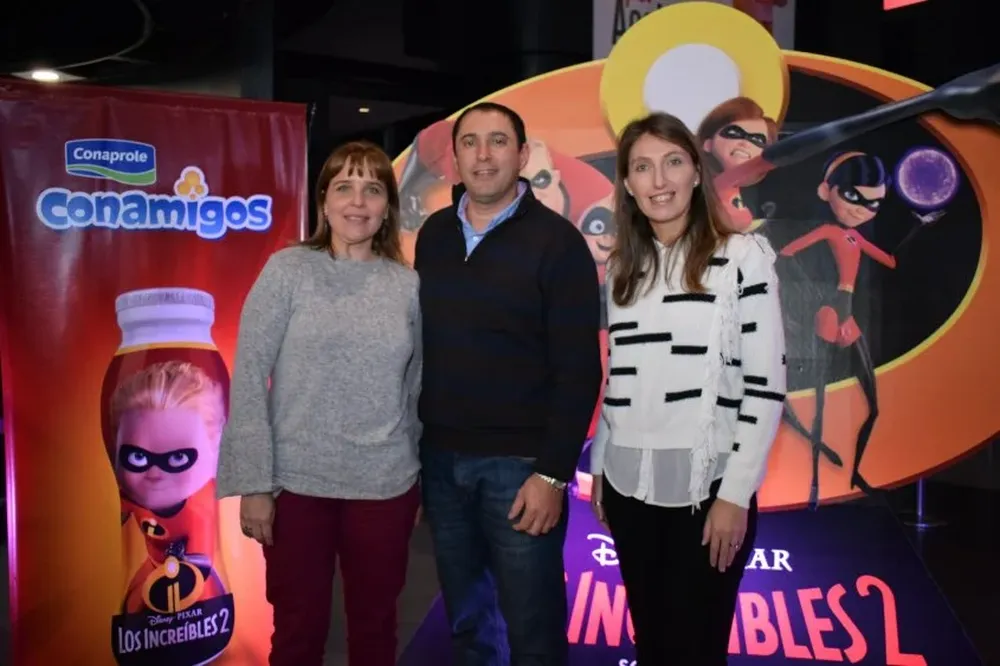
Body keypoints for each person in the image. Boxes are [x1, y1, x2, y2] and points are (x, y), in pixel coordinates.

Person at [589, 112, 786, 665]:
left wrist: (734, 496)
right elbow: (618, 379)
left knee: (697, 651)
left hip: (710, 492)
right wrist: (602, 467)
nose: (659, 181)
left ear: (697, 172)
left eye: (673, 162)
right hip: (629, 489)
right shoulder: (623, 268)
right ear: (627, 183)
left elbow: (766, 387)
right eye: (643, 167)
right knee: (654, 645)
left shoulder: (744, 258)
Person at [216, 140, 423, 666]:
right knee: (297, 636)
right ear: (324, 201)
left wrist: (416, 473)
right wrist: (255, 484)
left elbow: (416, 387)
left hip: (383, 486)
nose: (358, 201)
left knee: (375, 633)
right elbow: (248, 379)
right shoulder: (288, 270)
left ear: (387, 206)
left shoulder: (407, 285)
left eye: (372, 189)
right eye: (345, 187)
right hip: (297, 486)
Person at [414, 101, 603, 666]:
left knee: (533, 624)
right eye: (470, 142)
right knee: (468, 622)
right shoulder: (434, 237)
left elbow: (579, 368)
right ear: (455, 158)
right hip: (443, 464)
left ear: (521, 155)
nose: (484, 154)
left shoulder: (559, 242)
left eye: (498, 141)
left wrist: (551, 473)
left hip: (520, 469)